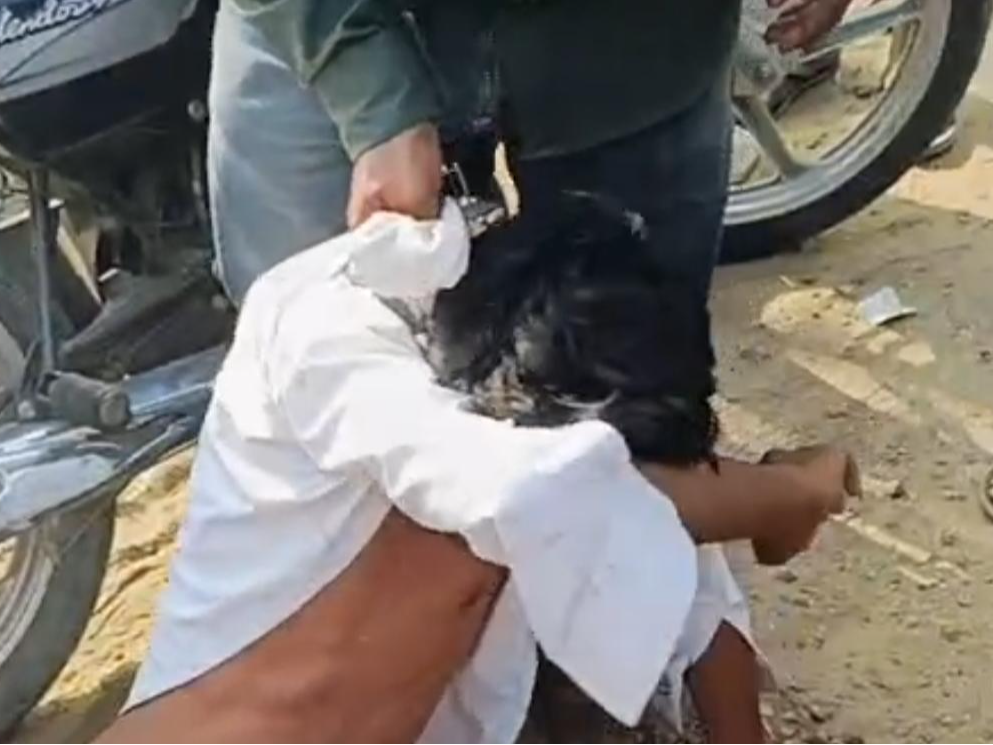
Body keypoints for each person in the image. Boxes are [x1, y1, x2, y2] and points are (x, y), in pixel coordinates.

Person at [96, 196, 856, 744]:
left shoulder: (546, 415)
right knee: (500, 528)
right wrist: (790, 495)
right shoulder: (322, 333)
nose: (610, 475)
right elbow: (538, 487)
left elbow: (652, 531)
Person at [210, 0, 855, 305]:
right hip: (317, 26)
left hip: (641, 49)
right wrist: (370, 95)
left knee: (632, 409)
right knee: (316, 382)